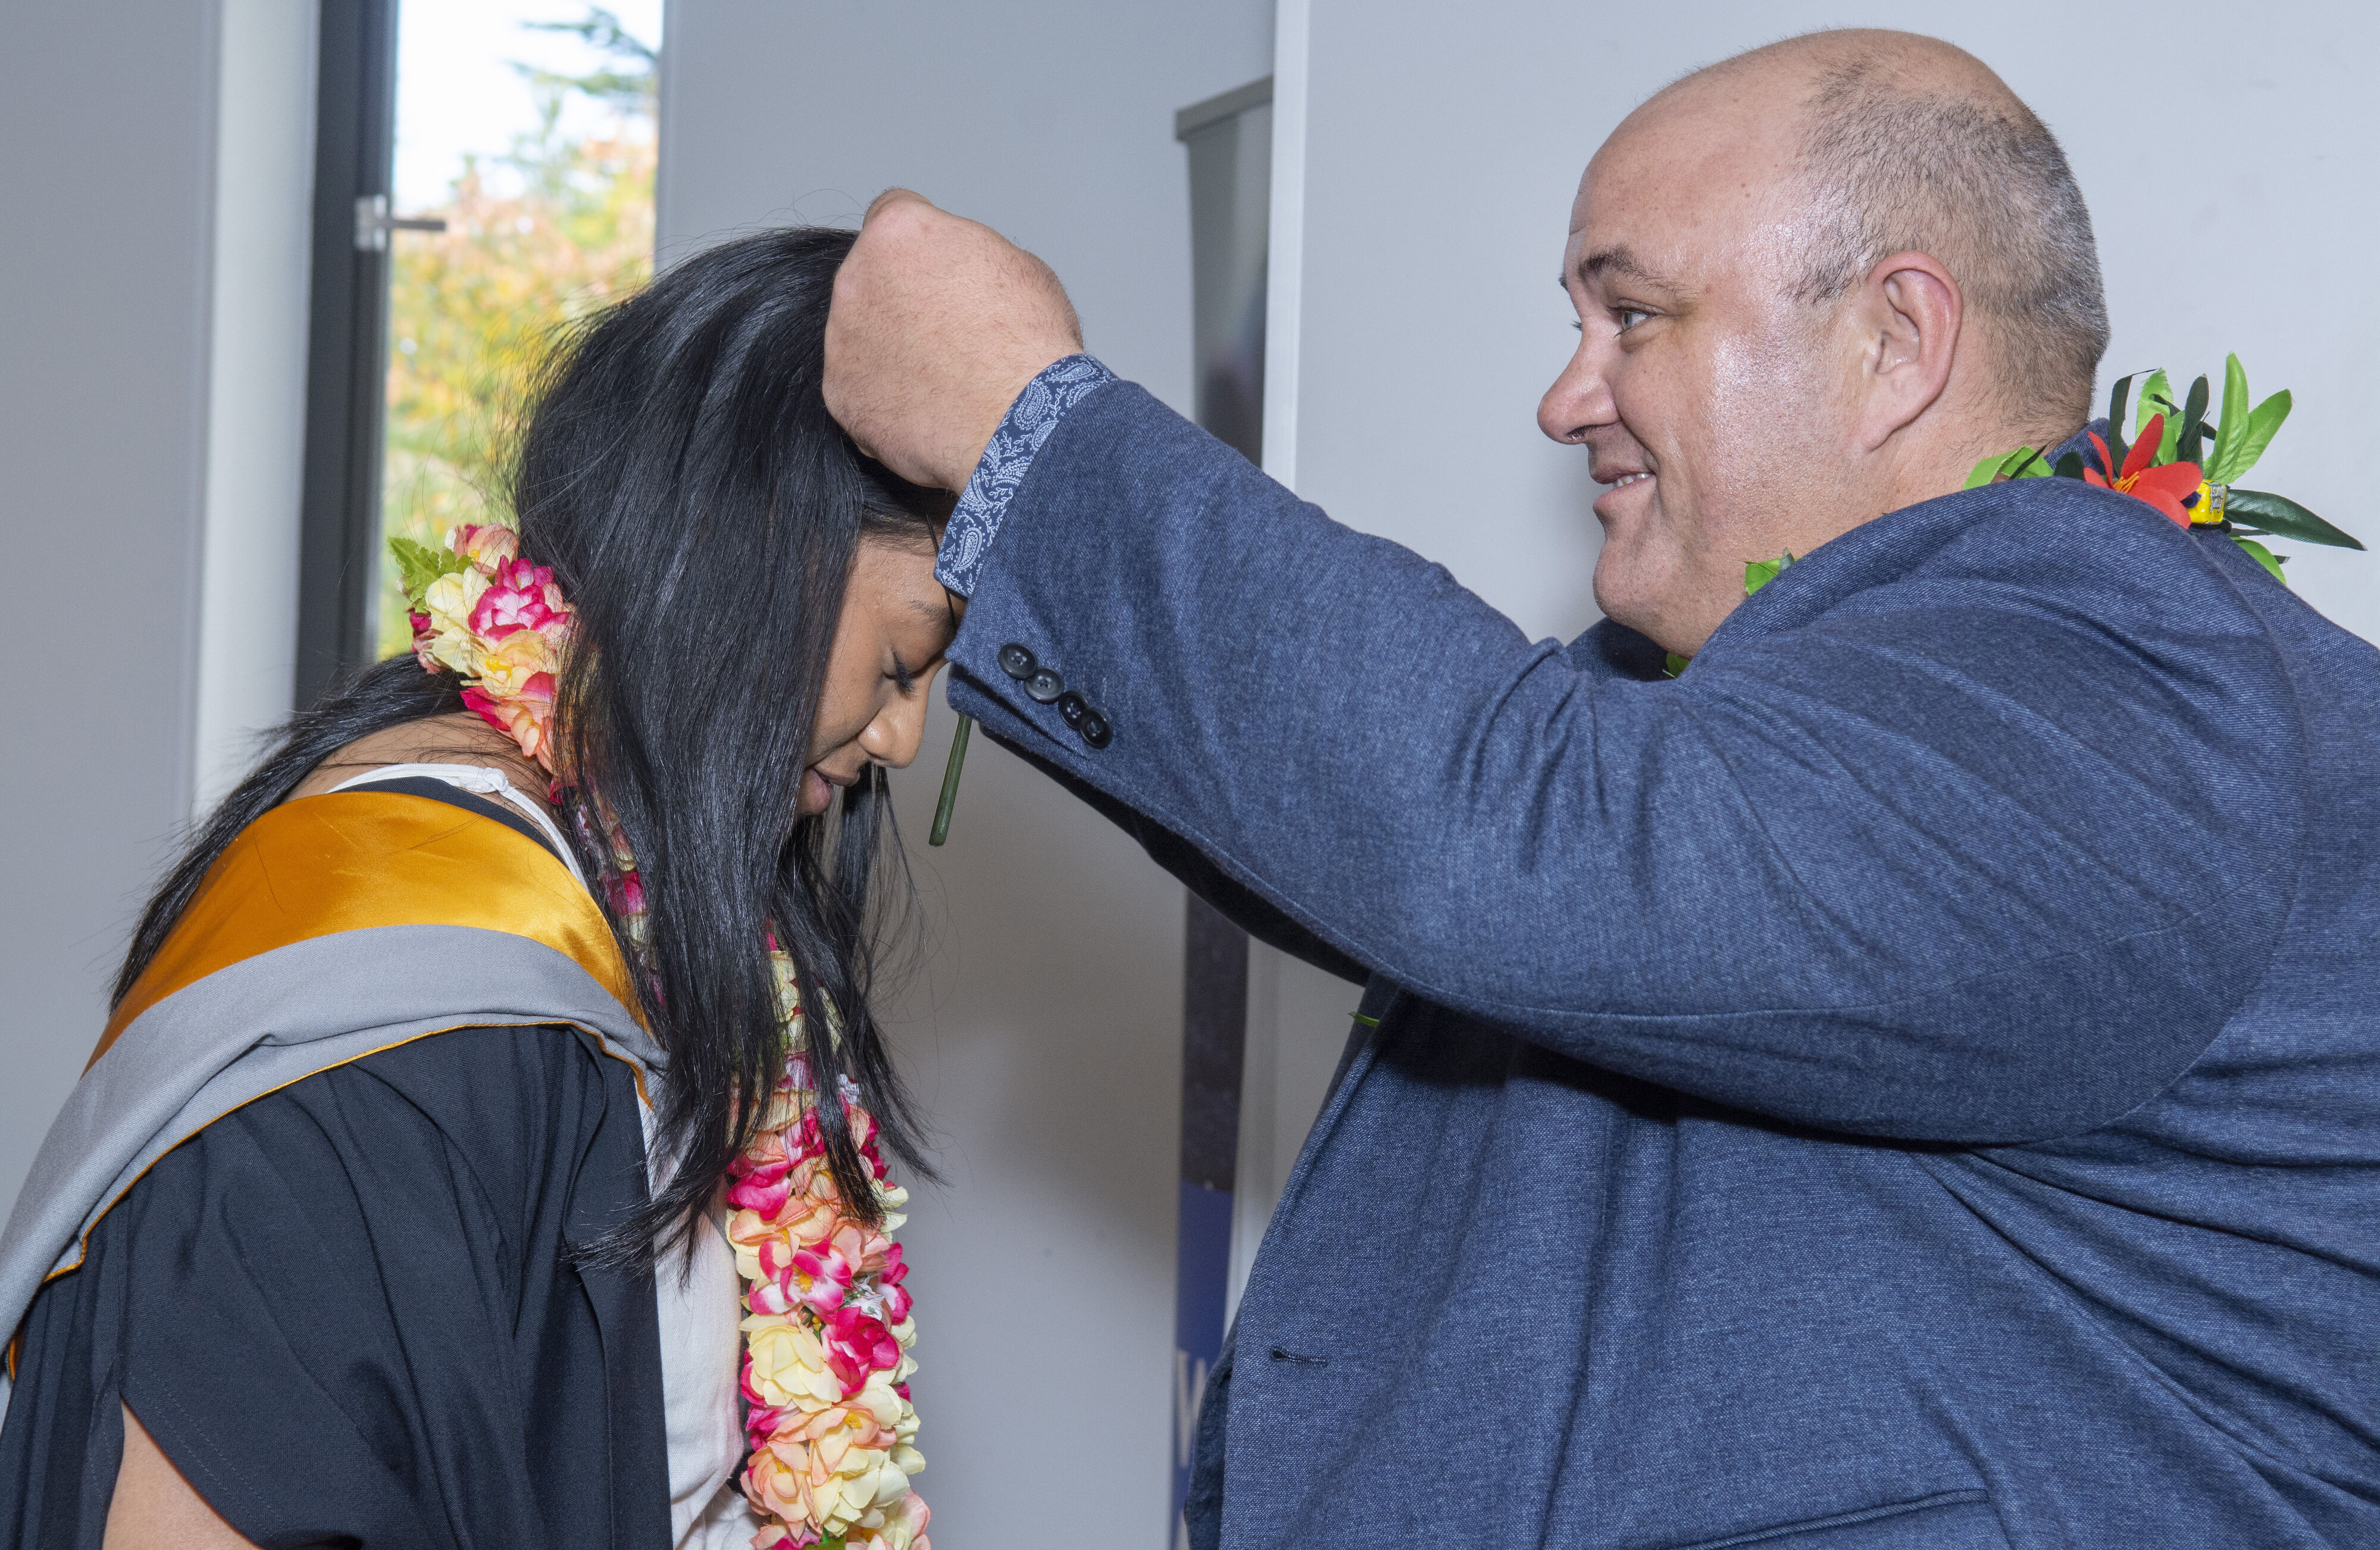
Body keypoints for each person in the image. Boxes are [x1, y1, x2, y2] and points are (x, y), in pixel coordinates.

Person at [824, 27, 2380, 1550]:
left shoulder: (2124, 667)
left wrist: (1029, 431)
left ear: (1895, 340)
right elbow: (1424, 855)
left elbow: (1509, 835)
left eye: (1632, 314)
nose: (1565, 399)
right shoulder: (1762, 722)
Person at [0, 228, 948, 1549]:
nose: (903, 736)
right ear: (751, 559)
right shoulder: (400, 1026)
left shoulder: (637, 917)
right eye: (903, 662)